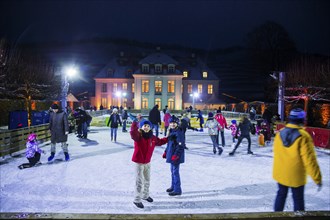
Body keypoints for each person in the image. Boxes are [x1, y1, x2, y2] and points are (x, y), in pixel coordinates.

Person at [273, 108, 322, 212]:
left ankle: (276, 216)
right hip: (296, 176)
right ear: (302, 120)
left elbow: (277, 153)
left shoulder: (280, 134)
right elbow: (310, 160)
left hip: (281, 174)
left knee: (281, 195)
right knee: (298, 199)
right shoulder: (303, 136)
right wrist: (317, 178)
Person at [130, 117, 168, 209]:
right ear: (141, 127)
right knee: (139, 181)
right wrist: (135, 123)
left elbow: (160, 141)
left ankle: (145, 195)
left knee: (147, 180)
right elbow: (132, 133)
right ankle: (137, 199)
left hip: (147, 162)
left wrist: (168, 138)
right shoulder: (138, 136)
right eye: (144, 126)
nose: (146, 127)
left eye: (148, 126)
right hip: (138, 162)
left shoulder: (152, 138)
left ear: (150, 127)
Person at [163, 115, 185, 196]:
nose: (172, 124)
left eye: (174, 123)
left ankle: (177, 190)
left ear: (177, 123)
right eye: (171, 123)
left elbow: (180, 145)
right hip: (171, 154)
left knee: (175, 172)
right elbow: (169, 144)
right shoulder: (171, 131)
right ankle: (173, 186)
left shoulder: (179, 132)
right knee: (172, 172)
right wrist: (166, 151)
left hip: (176, 156)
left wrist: (176, 155)